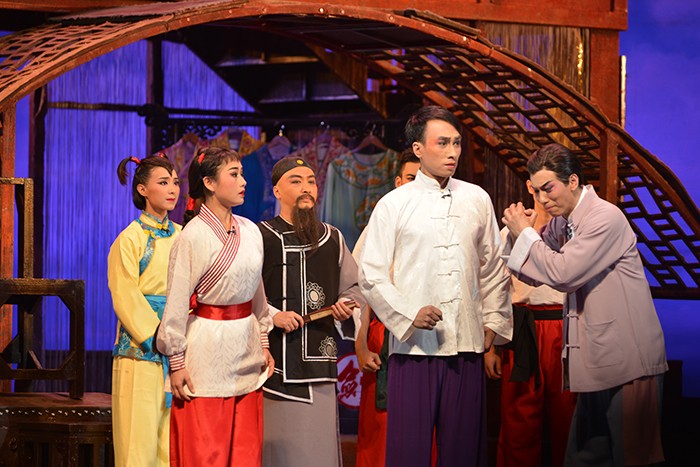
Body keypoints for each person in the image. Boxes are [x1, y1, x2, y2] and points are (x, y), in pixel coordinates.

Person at [358, 105, 512, 467]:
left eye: (456, 143)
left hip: (467, 344)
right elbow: (371, 273)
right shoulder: (393, 204)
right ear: (418, 149)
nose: (452, 152)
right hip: (414, 347)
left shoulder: (477, 198)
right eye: (442, 143)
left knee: (464, 451)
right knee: (409, 451)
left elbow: (493, 266)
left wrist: (493, 322)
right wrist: (409, 313)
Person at [502, 142, 667, 466]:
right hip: (595, 359)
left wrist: (526, 236)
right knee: (584, 458)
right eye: (536, 191)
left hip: (628, 360)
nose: (543, 199)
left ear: (573, 181)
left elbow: (564, 273)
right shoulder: (563, 223)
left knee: (632, 457)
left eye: (549, 188)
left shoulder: (605, 217)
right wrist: (517, 233)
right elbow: (533, 271)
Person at [156, 146, 274, 467]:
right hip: (206, 350)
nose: (243, 182)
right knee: (206, 451)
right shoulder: (192, 236)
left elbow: (257, 294)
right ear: (209, 183)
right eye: (234, 174)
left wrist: (263, 341)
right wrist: (177, 363)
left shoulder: (251, 231)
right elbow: (177, 301)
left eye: (242, 174)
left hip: (246, 344)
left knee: (245, 451)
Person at [258, 156, 366, 467]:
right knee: (281, 452)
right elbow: (245, 293)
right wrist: (273, 314)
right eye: (296, 181)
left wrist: (346, 305)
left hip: (321, 358)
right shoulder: (261, 236)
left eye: (311, 181)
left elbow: (354, 287)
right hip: (276, 361)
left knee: (319, 448)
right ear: (277, 191)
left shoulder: (333, 237)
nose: (306, 188)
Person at [484, 181, 577, 467]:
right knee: (519, 419)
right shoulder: (511, 228)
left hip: (565, 327)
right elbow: (496, 286)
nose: (547, 195)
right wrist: (491, 346)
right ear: (529, 186)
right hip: (522, 327)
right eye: (540, 187)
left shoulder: (575, 229)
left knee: (568, 417)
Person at [108, 153, 180, 467]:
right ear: (142, 189)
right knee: (137, 443)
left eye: (175, 182)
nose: (172, 189)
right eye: (163, 182)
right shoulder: (130, 239)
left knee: (171, 444)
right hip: (142, 349)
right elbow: (124, 294)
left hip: (179, 349)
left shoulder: (183, 235)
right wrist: (158, 336)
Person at [352, 149, 420, 467]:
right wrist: (361, 345)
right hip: (383, 335)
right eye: (411, 178)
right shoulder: (379, 225)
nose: (417, 185)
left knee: (422, 423)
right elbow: (361, 291)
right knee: (380, 426)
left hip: (428, 335)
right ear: (398, 182)